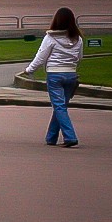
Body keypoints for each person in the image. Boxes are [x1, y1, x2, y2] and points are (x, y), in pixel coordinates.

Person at [28, 8, 83, 148]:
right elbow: (79, 57)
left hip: (54, 74)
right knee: (61, 106)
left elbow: (41, 57)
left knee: (59, 107)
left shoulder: (50, 38)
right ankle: (51, 137)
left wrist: (29, 70)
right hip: (71, 74)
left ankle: (70, 136)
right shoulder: (78, 38)